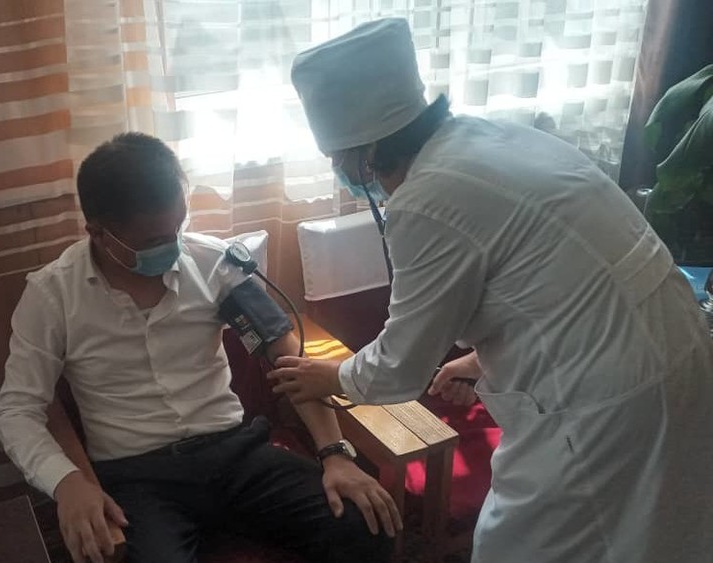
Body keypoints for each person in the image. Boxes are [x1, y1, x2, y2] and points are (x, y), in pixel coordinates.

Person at [268, 17, 713, 563]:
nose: (340, 170)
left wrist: (333, 375)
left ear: (365, 153)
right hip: (677, 352)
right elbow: (557, 283)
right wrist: (479, 362)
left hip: (606, 403)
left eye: (339, 157)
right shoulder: (496, 137)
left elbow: (400, 368)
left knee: (525, 548)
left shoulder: (428, 199)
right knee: (657, 535)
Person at [0, 132, 399, 563]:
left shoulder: (214, 263)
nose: (173, 248)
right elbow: (18, 409)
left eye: (178, 228)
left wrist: (335, 455)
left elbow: (288, 359)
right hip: (139, 478)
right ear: (98, 232)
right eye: (153, 242)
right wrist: (68, 482)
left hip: (236, 456)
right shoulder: (53, 295)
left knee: (363, 525)